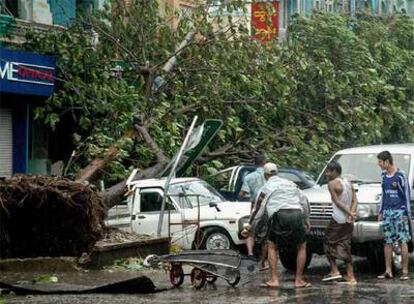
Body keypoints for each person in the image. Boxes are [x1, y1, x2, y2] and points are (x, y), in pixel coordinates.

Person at [249, 162, 311, 288]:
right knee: (301, 246)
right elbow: (304, 201)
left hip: (280, 214)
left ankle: (274, 280)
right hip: (297, 213)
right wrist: (306, 218)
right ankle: (299, 280)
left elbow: (258, 210)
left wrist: (250, 226)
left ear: (265, 175)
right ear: (277, 172)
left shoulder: (266, 187)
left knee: (272, 246)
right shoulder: (291, 184)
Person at [376, 151, 412, 280]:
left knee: (402, 241)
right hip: (387, 212)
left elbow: (406, 195)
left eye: (380, 162)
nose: (378, 164)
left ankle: (405, 271)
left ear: (386, 161)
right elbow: (383, 194)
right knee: (387, 241)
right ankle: (388, 270)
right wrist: (381, 211)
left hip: (400, 212)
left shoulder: (401, 175)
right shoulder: (384, 176)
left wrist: (407, 213)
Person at [322, 161, 358, 284]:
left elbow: (337, 202)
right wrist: (352, 213)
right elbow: (355, 201)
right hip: (348, 221)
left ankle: (334, 270)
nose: (326, 174)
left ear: (335, 171)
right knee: (346, 245)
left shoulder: (332, 184)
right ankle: (351, 276)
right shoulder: (348, 182)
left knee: (328, 242)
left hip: (338, 219)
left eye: (328, 171)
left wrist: (349, 213)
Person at [240, 154, 267, 268]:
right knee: (267, 233)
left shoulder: (249, 177)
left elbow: (242, 194)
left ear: (254, 163)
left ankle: (250, 253)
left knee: (250, 229)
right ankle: (263, 261)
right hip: (268, 205)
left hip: (255, 205)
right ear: (265, 162)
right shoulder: (269, 176)